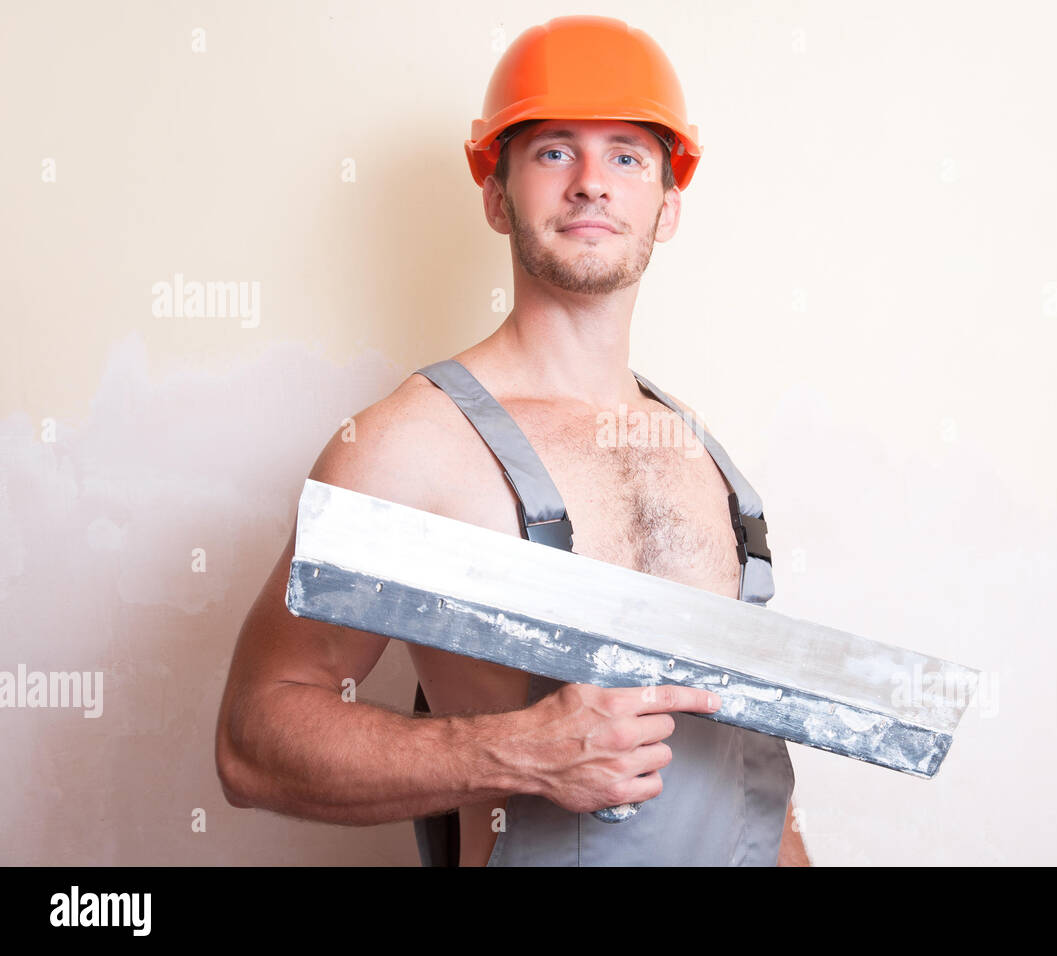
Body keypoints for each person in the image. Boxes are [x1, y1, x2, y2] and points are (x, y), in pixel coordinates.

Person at [216, 15, 809, 867]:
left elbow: (758, 789)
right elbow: (254, 734)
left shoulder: (706, 459)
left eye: (628, 155)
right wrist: (527, 752)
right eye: (555, 151)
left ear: (667, 207)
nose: (593, 183)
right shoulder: (411, 445)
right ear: (497, 197)